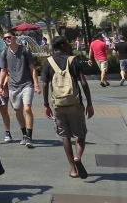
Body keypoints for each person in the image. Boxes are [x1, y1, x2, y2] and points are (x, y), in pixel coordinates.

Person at [42, 37, 95, 179]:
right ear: (64, 45)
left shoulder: (48, 62)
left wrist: (46, 105)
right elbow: (83, 82)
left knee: (64, 136)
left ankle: (73, 168)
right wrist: (89, 103)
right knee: (80, 133)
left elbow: (45, 85)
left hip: (58, 105)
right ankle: (78, 156)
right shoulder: (73, 60)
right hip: (75, 104)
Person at [0, 31, 41, 147]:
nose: (7, 39)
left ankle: (29, 137)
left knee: (27, 108)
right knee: (18, 111)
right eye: (5, 38)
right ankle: (24, 134)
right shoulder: (5, 52)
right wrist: (0, 86)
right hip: (13, 86)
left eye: (9, 37)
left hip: (27, 84)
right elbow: (3, 70)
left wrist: (36, 84)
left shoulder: (25, 50)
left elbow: (32, 68)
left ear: (15, 38)